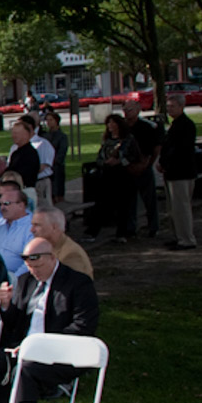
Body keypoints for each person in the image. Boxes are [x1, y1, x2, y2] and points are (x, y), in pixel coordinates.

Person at [0, 237, 101, 403]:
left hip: (60, 353)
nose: (35, 271)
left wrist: (40, 346)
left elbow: (83, 326)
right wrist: (6, 306)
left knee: (26, 369)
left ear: (52, 258)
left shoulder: (78, 284)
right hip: (22, 349)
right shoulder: (26, 281)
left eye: (39, 266)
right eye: (30, 266)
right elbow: (13, 323)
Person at [85, 114, 140, 243]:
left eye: (113, 123)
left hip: (123, 176)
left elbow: (135, 157)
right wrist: (104, 162)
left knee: (123, 205)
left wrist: (119, 161)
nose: (110, 126)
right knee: (102, 204)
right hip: (107, 175)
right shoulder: (107, 141)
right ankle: (93, 231)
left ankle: (122, 233)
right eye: (108, 123)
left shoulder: (128, 140)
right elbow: (99, 157)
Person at [160, 94, 198, 250]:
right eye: (168, 106)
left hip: (182, 172)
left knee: (181, 207)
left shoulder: (186, 125)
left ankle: (186, 239)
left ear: (181, 107)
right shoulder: (176, 124)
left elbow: (180, 150)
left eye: (172, 106)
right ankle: (178, 236)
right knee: (173, 208)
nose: (169, 109)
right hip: (172, 172)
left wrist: (165, 162)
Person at [124, 98, 163, 237]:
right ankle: (130, 228)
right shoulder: (123, 127)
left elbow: (156, 147)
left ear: (138, 110)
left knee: (149, 198)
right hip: (127, 167)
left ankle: (153, 226)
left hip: (144, 165)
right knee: (129, 200)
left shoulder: (147, 127)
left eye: (130, 110)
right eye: (125, 110)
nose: (127, 113)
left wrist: (148, 163)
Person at [30, 206, 93, 278]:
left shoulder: (71, 254)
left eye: (37, 225)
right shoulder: (45, 247)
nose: (32, 230)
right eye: (32, 225)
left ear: (54, 227)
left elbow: (71, 286)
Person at [0, 181, 34, 279]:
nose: (2, 208)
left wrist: (14, 279)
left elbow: (30, 261)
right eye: (0, 204)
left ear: (21, 205)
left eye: (6, 203)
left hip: (17, 280)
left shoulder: (32, 227)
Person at [43, 111, 69, 203]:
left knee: (58, 191)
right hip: (47, 167)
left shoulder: (62, 136)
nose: (48, 122)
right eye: (47, 120)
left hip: (57, 167)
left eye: (51, 120)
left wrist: (54, 161)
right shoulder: (45, 136)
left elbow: (62, 152)